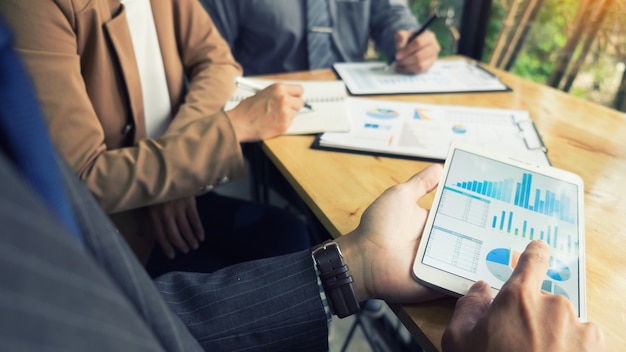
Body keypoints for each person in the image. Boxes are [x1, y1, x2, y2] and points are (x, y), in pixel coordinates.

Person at [0, 22, 604, 349]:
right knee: (285, 228)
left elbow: (216, 64)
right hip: (142, 223)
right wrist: (201, 147)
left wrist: (355, 263)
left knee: (291, 231)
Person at [0, 0, 321, 277]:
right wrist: (227, 131)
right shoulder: (35, 8)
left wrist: (179, 166)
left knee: (291, 240)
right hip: (116, 233)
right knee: (289, 264)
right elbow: (81, 182)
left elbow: (218, 60)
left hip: (168, 190)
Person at [201, 0, 441, 75]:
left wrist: (411, 42)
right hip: (266, 130)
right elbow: (210, 64)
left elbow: (391, 15)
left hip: (356, 108)